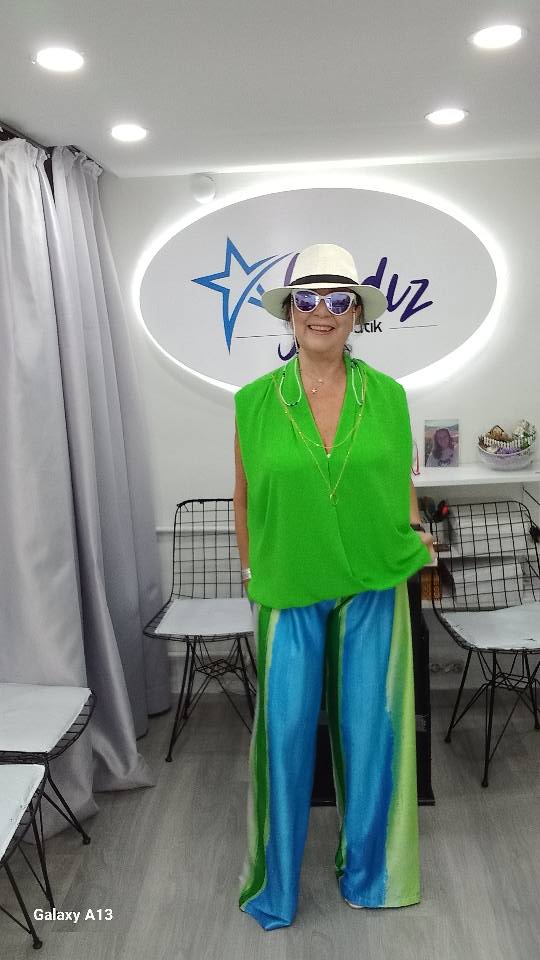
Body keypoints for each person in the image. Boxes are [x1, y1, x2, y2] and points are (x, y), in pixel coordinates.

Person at [232, 242, 435, 931]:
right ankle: (277, 884)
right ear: (290, 312)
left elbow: (398, 482)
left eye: (338, 300)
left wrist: (416, 532)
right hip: (288, 584)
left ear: (356, 314)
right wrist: (252, 571)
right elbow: (243, 498)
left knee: (372, 730)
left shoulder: (390, 396)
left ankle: (373, 875)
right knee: (285, 735)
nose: (323, 312)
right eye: (308, 299)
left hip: (375, 579)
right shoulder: (254, 403)